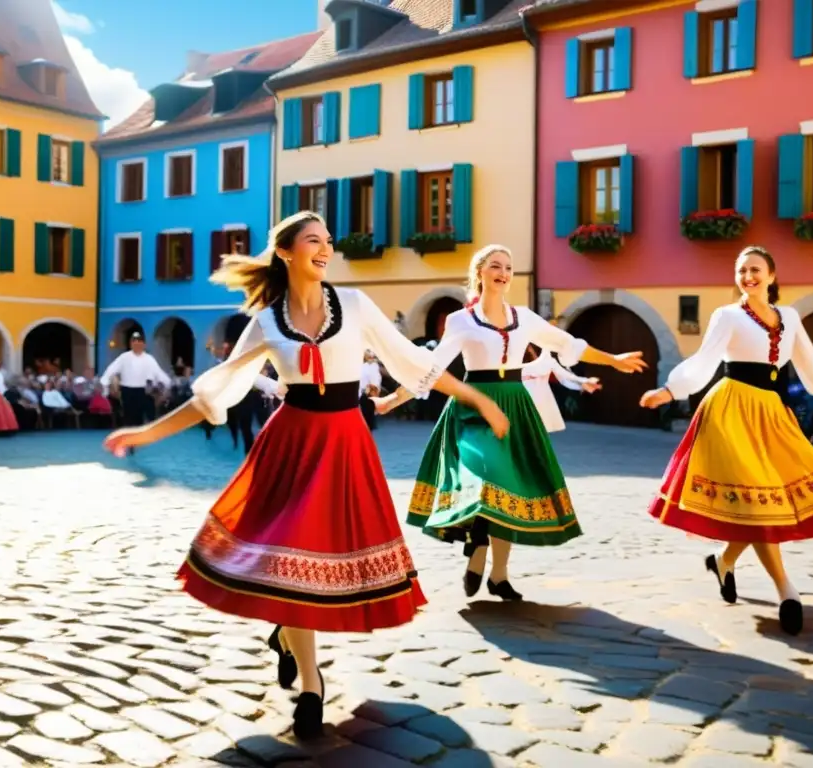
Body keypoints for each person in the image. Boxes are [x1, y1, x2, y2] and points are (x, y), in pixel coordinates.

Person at [102, 212, 509, 740]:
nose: (325, 248)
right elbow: (216, 392)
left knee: (315, 555)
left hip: (344, 443)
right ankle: (312, 683)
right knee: (289, 556)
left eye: (329, 241)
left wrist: (477, 396)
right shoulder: (268, 322)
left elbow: (412, 362)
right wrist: (143, 435)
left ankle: (290, 639)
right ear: (287, 252)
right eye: (313, 240)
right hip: (291, 444)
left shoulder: (357, 306)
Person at [377, 245, 646, 600]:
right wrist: (394, 398)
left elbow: (569, 344)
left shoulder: (526, 318)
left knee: (510, 488)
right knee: (486, 476)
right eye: (495, 266)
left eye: (508, 266)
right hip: (476, 405)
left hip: (516, 405)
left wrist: (612, 359)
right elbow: (433, 367)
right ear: (480, 273)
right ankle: (477, 550)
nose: (503, 272)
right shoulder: (461, 320)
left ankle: (498, 575)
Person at [639, 246, 813, 636]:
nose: (748, 276)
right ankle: (786, 591)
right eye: (742, 270)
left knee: (763, 500)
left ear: (772, 275)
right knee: (759, 499)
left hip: (770, 412)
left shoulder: (791, 317)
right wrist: (670, 390)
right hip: (730, 410)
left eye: (755, 269)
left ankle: (723, 560)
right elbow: (705, 359)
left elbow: (810, 360)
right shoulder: (726, 315)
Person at [100, 332, 172, 452]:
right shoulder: (124, 357)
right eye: (134, 341)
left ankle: (142, 438)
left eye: (139, 341)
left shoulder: (149, 359)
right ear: (131, 343)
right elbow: (111, 369)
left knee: (144, 415)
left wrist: (167, 383)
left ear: (144, 344)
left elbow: (158, 373)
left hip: (142, 391)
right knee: (129, 418)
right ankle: (130, 444)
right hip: (128, 390)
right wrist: (105, 383)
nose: (137, 344)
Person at [521, 339, 601, 433]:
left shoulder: (549, 361)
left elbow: (566, 378)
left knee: (538, 431)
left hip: (543, 400)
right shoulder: (519, 362)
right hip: (524, 398)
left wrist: (583, 383)